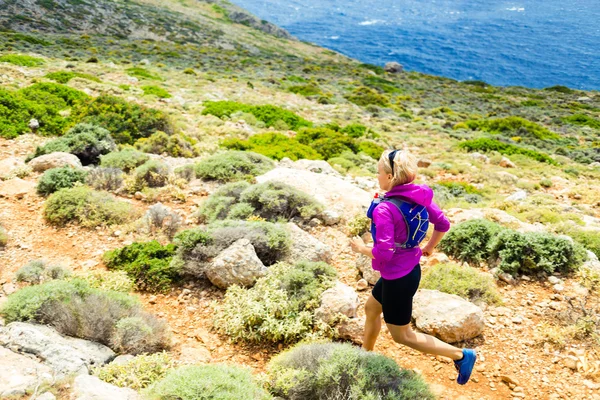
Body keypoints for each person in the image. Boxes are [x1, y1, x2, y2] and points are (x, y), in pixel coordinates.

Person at [350, 149, 477, 385]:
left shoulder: (385, 209)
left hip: (398, 277)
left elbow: (384, 253)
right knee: (371, 308)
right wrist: (429, 246)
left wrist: (361, 248)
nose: (377, 177)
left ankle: (461, 355)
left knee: (403, 336)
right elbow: (443, 223)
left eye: (379, 172)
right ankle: (364, 357)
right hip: (405, 271)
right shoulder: (418, 197)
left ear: (390, 177)